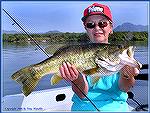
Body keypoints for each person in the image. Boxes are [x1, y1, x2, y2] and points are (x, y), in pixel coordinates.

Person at [59, 3, 140, 112]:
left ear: (111, 27)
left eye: (102, 23)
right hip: (83, 108)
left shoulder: (119, 56)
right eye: (91, 25)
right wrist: (76, 79)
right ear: (86, 29)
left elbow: (124, 88)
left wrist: (127, 75)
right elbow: (82, 95)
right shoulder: (80, 54)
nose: (97, 28)